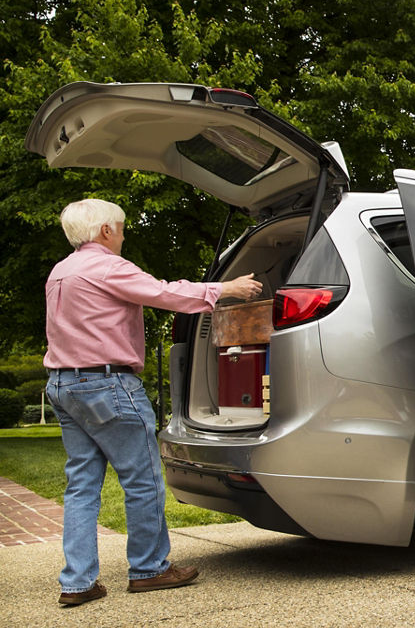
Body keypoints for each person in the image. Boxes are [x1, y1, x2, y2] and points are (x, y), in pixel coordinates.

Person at [45, 199, 262, 607]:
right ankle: (149, 569)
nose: (123, 235)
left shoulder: (61, 271)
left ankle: (77, 582)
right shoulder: (107, 266)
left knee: (81, 487)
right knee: (142, 480)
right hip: (107, 385)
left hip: (63, 384)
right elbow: (162, 292)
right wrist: (225, 289)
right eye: (121, 228)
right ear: (106, 230)